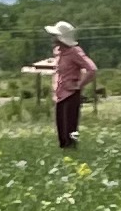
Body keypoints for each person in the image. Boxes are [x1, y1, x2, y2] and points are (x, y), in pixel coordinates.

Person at [29, 20, 97, 150]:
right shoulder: (58, 52)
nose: (52, 38)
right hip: (60, 95)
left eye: (55, 35)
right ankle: (66, 156)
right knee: (62, 134)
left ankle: (72, 155)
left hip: (71, 95)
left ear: (61, 37)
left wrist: (79, 85)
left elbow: (92, 69)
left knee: (69, 132)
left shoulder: (74, 52)